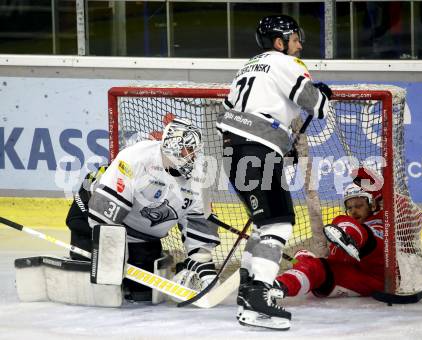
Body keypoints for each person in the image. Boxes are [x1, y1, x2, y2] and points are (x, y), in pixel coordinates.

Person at [216, 14, 333, 330]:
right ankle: (258, 299)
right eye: (295, 38)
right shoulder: (285, 63)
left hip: (232, 149)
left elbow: (230, 110)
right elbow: (315, 105)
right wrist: (321, 93)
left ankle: (248, 289)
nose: (299, 43)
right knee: (279, 223)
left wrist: (278, 143)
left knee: (265, 222)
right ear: (280, 42)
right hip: (256, 148)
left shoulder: (247, 66)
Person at [66, 118, 220, 301]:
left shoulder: (198, 176)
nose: (193, 157)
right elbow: (102, 215)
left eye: (195, 151)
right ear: (173, 145)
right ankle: (83, 259)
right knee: (99, 289)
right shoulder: (136, 158)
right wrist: (114, 254)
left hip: (142, 237)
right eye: (189, 150)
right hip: (91, 222)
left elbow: (198, 220)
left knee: (143, 295)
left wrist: (201, 259)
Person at [276, 182, 384, 300]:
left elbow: (380, 186)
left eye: (358, 206)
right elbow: (336, 262)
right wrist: (306, 260)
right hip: (362, 279)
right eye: (349, 208)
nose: (354, 211)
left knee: (342, 220)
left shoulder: (382, 219)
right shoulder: (341, 231)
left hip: (380, 272)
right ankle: (280, 287)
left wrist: (359, 176)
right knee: (314, 267)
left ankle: (350, 238)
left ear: (372, 205)